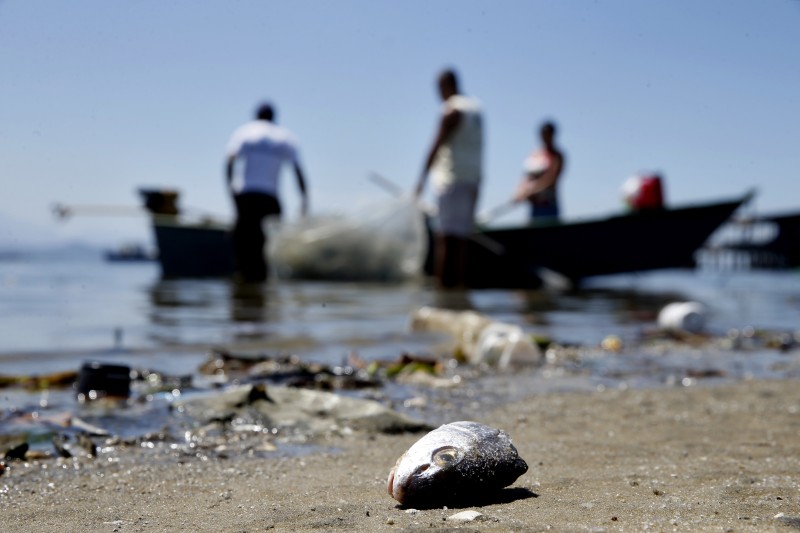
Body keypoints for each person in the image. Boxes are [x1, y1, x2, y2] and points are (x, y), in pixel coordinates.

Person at [225, 102, 309, 282]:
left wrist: (231, 191)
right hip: (270, 197)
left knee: (244, 245)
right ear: (273, 117)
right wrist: (304, 199)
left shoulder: (245, 132)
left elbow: (229, 161)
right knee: (269, 244)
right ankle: (264, 287)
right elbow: (298, 171)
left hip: (246, 195)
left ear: (256, 115)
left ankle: (245, 285)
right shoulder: (286, 137)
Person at [415, 69, 483, 288]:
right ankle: (459, 293)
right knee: (462, 240)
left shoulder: (451, 110)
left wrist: (421, 179)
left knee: (445, 239)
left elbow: (436, 145)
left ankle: (443, 294)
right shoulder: (476, 108)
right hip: (473, 179)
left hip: (452, 180)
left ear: (446, 86)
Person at [513, 121, 564, 221]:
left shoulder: (557, 156)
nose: (545, 138)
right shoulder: (535, 155)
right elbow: (526, 177)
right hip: (535, 207)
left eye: (548, 135)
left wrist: (531, 190)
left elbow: (551, 179)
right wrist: (520, 192)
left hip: (549, 206)